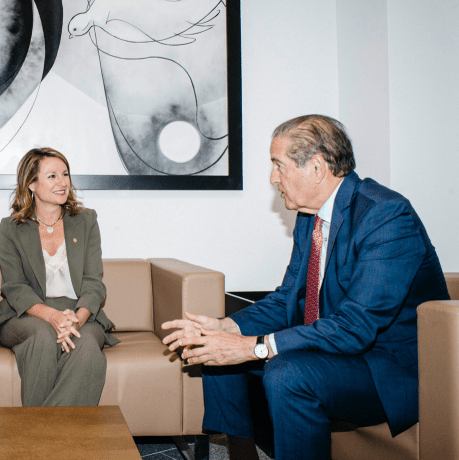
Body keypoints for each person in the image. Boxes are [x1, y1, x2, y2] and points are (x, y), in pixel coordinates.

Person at [162, 115, 449, 460]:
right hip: (339, 351)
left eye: (278, 166)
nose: (273, 178)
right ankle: (241, 454)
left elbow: (355, 327)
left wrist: (254, 347)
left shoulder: (386, 216)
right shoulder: (310, 217)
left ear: (315, 167)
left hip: (387, 369)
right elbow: (287, 298)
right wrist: (226, 328)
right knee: (215, 348)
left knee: (287, 374)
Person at [0, 147, 119, 406]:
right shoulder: (11, 228)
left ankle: (38, 428)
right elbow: (15, 286)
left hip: (78, 313)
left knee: (86, 345)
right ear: (31, 184)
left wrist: (76, 319)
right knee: (43, 336)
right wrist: (52, 317)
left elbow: (93, 282)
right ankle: (48, 429)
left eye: (65, 174)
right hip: (28, 315)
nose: (63, 182)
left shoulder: (86, 221)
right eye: (52, 176)